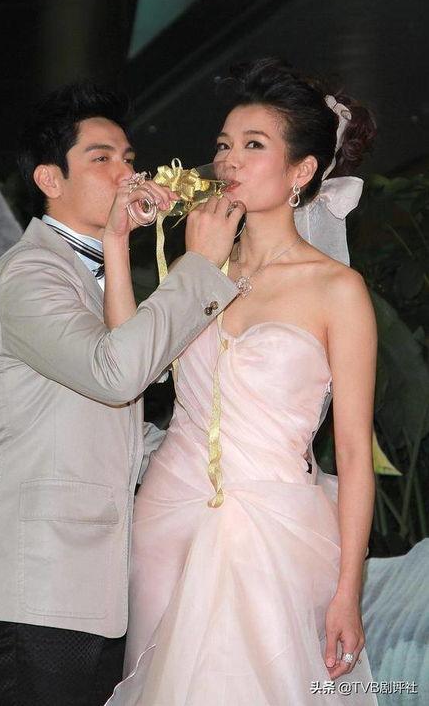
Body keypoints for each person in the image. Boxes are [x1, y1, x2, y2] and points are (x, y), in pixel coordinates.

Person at [0, 80, 245, 706]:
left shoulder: (95, 273)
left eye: (129, 158)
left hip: (95, 592)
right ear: (49, 179)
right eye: (101, 158)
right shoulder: (30, 272)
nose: (126, 174)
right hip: (39, 591)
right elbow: (116, 375)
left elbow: (120, 418)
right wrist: (200, 267)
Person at [105, 59, 380, 705]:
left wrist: (348, 591)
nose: (229, 160)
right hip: (166, 514)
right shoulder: (202, 266)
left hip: (271, 530)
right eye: (224, 144)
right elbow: (127, 364)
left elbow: (353, 454)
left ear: (301, 171)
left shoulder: (336, 289)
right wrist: (118, 242)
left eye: (254, 145)